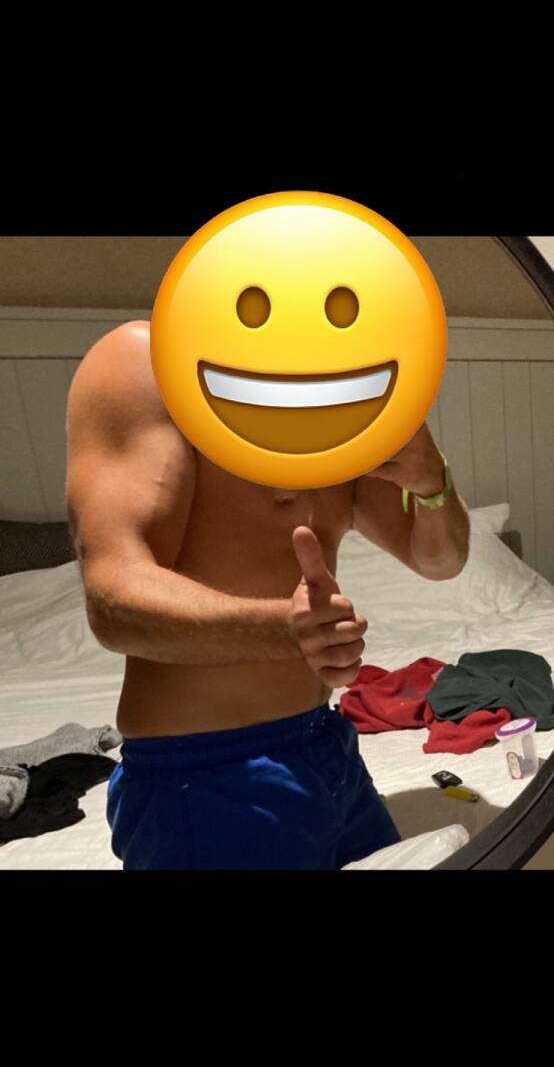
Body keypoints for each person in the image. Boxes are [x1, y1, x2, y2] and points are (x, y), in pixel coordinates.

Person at [65, 321, 470, 869]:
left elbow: (441, 561)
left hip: (325, 746)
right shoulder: (147, 364)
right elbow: (113, 600)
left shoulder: (347, 393)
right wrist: (283, 630)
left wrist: (432, 483)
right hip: (202, 774)